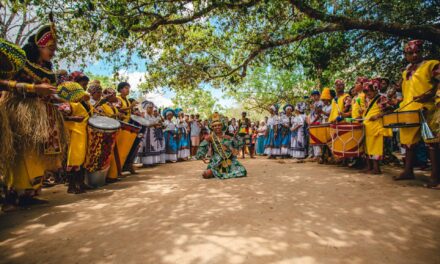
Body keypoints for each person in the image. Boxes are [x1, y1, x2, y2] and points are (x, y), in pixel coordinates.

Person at [4, 23, 68, 207]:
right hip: (22, 113)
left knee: (39, 154)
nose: (53, 53)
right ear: (38, 46)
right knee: (25, 152)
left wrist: (58, 100)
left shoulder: (47, 69)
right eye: (50, 48)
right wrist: (34, 88)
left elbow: (50, 93)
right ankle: (17, 192)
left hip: (44, 116)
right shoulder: (20, 63)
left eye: (54, 49)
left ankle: (31, 192)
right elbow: (4, 82)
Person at [395, 40, 440, 188]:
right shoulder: (406, 71)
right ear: (405, 55)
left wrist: (432, 94)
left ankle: (435, 176)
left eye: (417, 52)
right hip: (408, 110)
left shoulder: (431, 65)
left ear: (422, 52)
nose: (414, 55)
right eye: (410, 53)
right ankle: (408, 170)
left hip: (427, 108)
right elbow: (404, 92)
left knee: (431, 142)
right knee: (408, 143)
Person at [57, 81, 94, 193]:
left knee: (81, 159)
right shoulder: (68, 104)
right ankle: (71, 186)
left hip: (82, 134)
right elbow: (59, 116)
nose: (85, 87)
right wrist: (73, 119)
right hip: (74, 135)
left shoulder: (83, 103)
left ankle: (80, 183)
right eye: (83, 85)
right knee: (73, 160)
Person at [196, 113, 247, 179]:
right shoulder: (210, 137)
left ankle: (218, 173)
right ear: (212, 127)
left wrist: (240, 134)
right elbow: (202, 146)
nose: (217, 127)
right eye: (214, 126)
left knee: (243, 171)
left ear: (222, 126)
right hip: (216, 161)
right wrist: (202, 156)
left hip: (229, 160)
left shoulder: (227, 137)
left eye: (219, 125)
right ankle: (215, 171)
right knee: (205, 175)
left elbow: (237, 145)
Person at [362, 79, 392, 174]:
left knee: (375, 147)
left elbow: (389, 110)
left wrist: (377, 116)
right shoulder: (368, 100)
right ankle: (369, 167)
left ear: (375, 90)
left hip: (376, 127)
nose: (368, 93)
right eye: (366, 91)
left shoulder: (381, 98)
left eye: (370, 90)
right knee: (368, 148)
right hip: (368, 127)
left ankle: (376, 168)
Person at [139, 101, 165, 166]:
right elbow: (145, 124)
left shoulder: (152, 116)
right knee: (147, 146)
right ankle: (146, 162)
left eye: (152, 108)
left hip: (153, 133)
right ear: (146, 108)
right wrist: (155, 124)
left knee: (153, 146)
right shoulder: (144, 115)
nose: (151, 109)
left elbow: (154, 124)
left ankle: (151, 162)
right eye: (149, 108)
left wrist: (158, 125)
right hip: (146, 132)